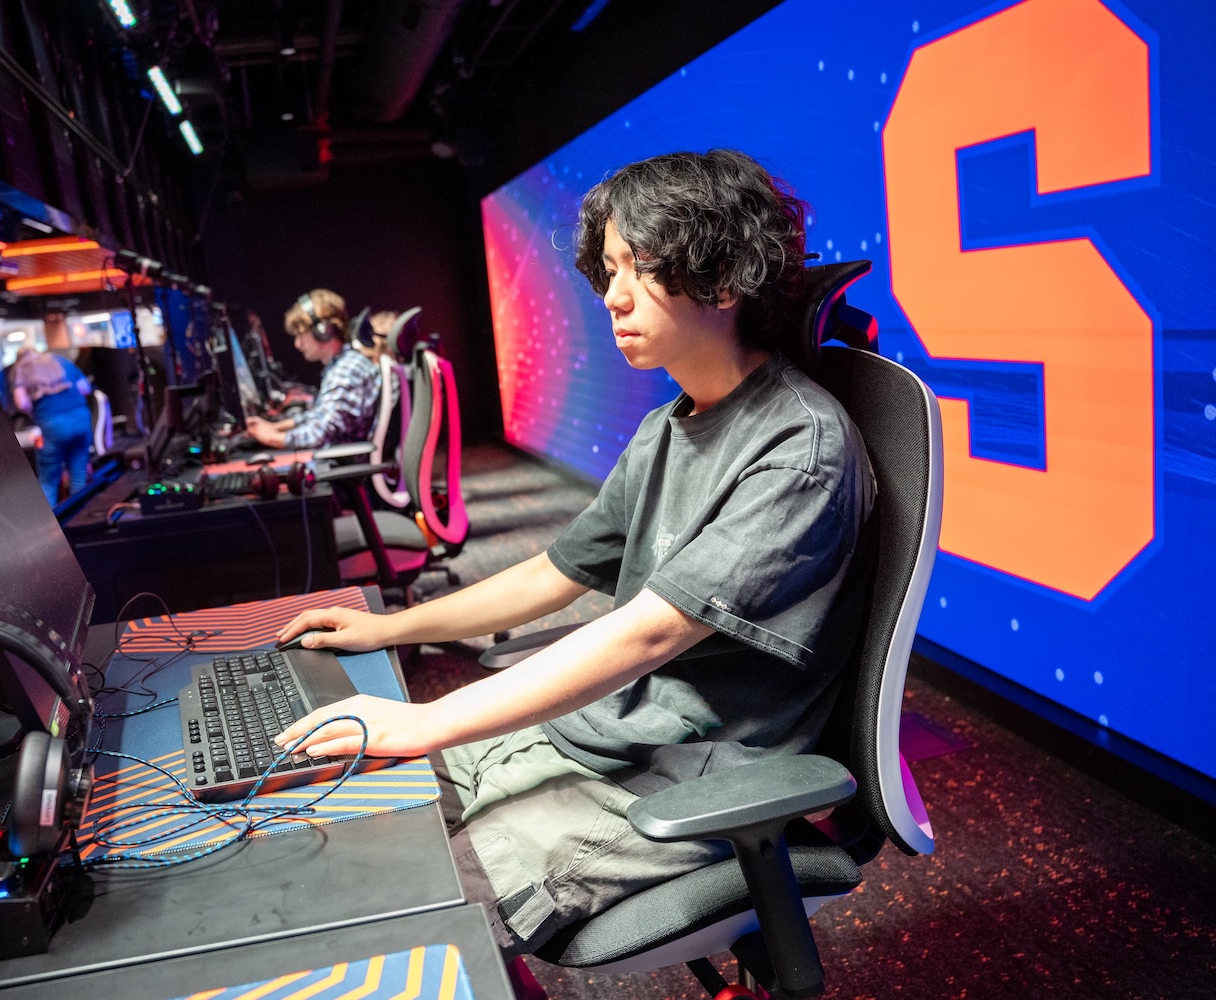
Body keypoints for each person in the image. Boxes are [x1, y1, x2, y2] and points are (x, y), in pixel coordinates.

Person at [272, 150, 876, 957]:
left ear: (723, 277)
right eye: (611, 269)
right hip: (602, 728)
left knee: (412, 912)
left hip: (688, 777)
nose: (613, 296)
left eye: (640, 268)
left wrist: (426, 720)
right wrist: (389, 629)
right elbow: (551, 572)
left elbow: (649, 634)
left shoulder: (800, 448)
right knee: (347, 831)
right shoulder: (670, 425)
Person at [245, 289, 381, 449]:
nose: (297, 344)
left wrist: (270, 437)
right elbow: (320, 414)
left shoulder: (346, 371)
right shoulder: (344, 364)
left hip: (341, 464)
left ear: (324, 331)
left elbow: (316, 435)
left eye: (301, 335)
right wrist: (276, 426)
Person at [12, 347, 93, 505]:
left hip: (52, 425)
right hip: (81, 420)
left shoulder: (22, 368)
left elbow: (22, 403)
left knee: (49, 480)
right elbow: (85, 388)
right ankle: (81, 519)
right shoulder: (59, 360)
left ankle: (54, 527)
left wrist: (35, 412)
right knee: (79, 474)